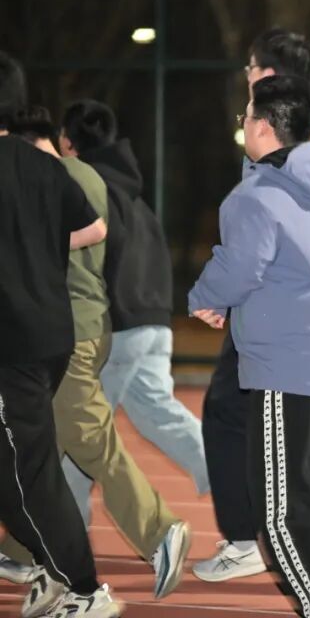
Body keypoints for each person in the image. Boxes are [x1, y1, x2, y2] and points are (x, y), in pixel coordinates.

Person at [189, 74, 310, 618]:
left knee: (279, 515)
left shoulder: (254, 197)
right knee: (306, 486)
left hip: (293, 367)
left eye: (245, 117)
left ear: (261, 127)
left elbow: (239, 268)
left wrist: (204, 298)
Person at [3, 107, 191, 605]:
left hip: (70, 325)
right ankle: (24, 550)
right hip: (88, 322)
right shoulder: (84, 176)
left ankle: (158, 529)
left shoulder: (49, 175)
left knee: (88, 439)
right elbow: (101, 236)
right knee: (46, 443)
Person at [194, 27, 310, 582]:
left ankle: (251, 540)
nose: (246, 75)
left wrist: (221, 293)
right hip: (305, 307)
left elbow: (262, 237)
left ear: (268, 75)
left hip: (275, 311)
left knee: (232, 414)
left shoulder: (273, 145)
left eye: (251, 67)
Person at [0, 54, 123, 617]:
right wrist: (37, 245)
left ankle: (86, 589)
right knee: (13, 466)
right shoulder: (46, 166)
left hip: (15, 341)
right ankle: (53, 569)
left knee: (31, 469)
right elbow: (93, 227)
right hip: (50, 333)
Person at [53, 99, 208, 525]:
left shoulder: (88, 191)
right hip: (154, 321)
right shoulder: (135, 194)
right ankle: (235, 481)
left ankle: (62, 532)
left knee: (80, 428)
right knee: (160, 415)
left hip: (117, 327)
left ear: (68, 143)